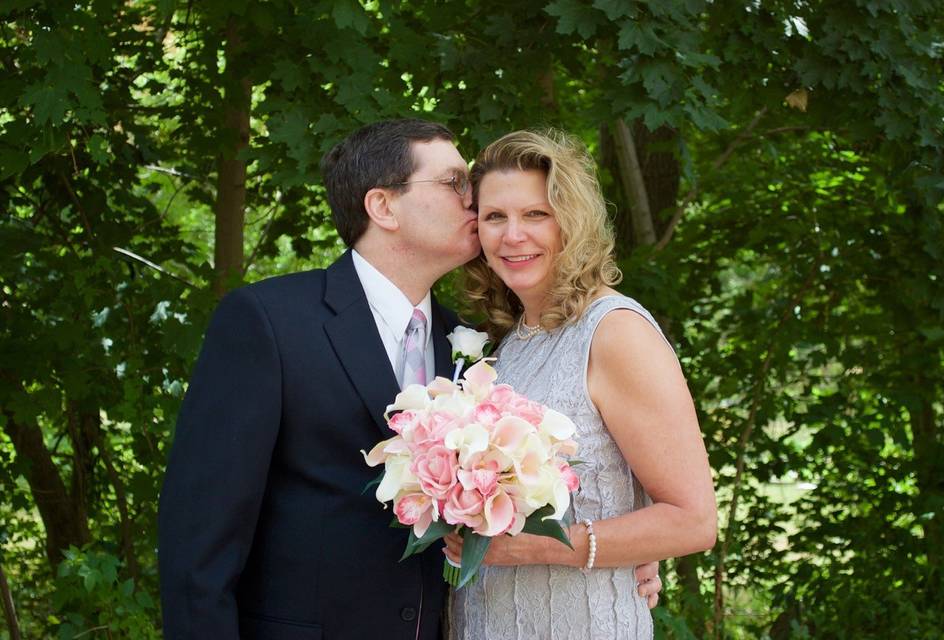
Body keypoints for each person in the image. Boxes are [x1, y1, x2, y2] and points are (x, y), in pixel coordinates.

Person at [158, 118, 662, 640]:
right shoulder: (268, 321)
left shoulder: (476, 347)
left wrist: (630, 549)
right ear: (383, 206)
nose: (474, 199)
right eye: (453, 183)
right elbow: (198, 547)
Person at [443, 130, 716, 640]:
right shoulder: (509, 344)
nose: (512, 235)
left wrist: (539, 546)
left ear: (573, 223)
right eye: (495, 217)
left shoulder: (614, 332)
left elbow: (693, 520)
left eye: (535, 215)